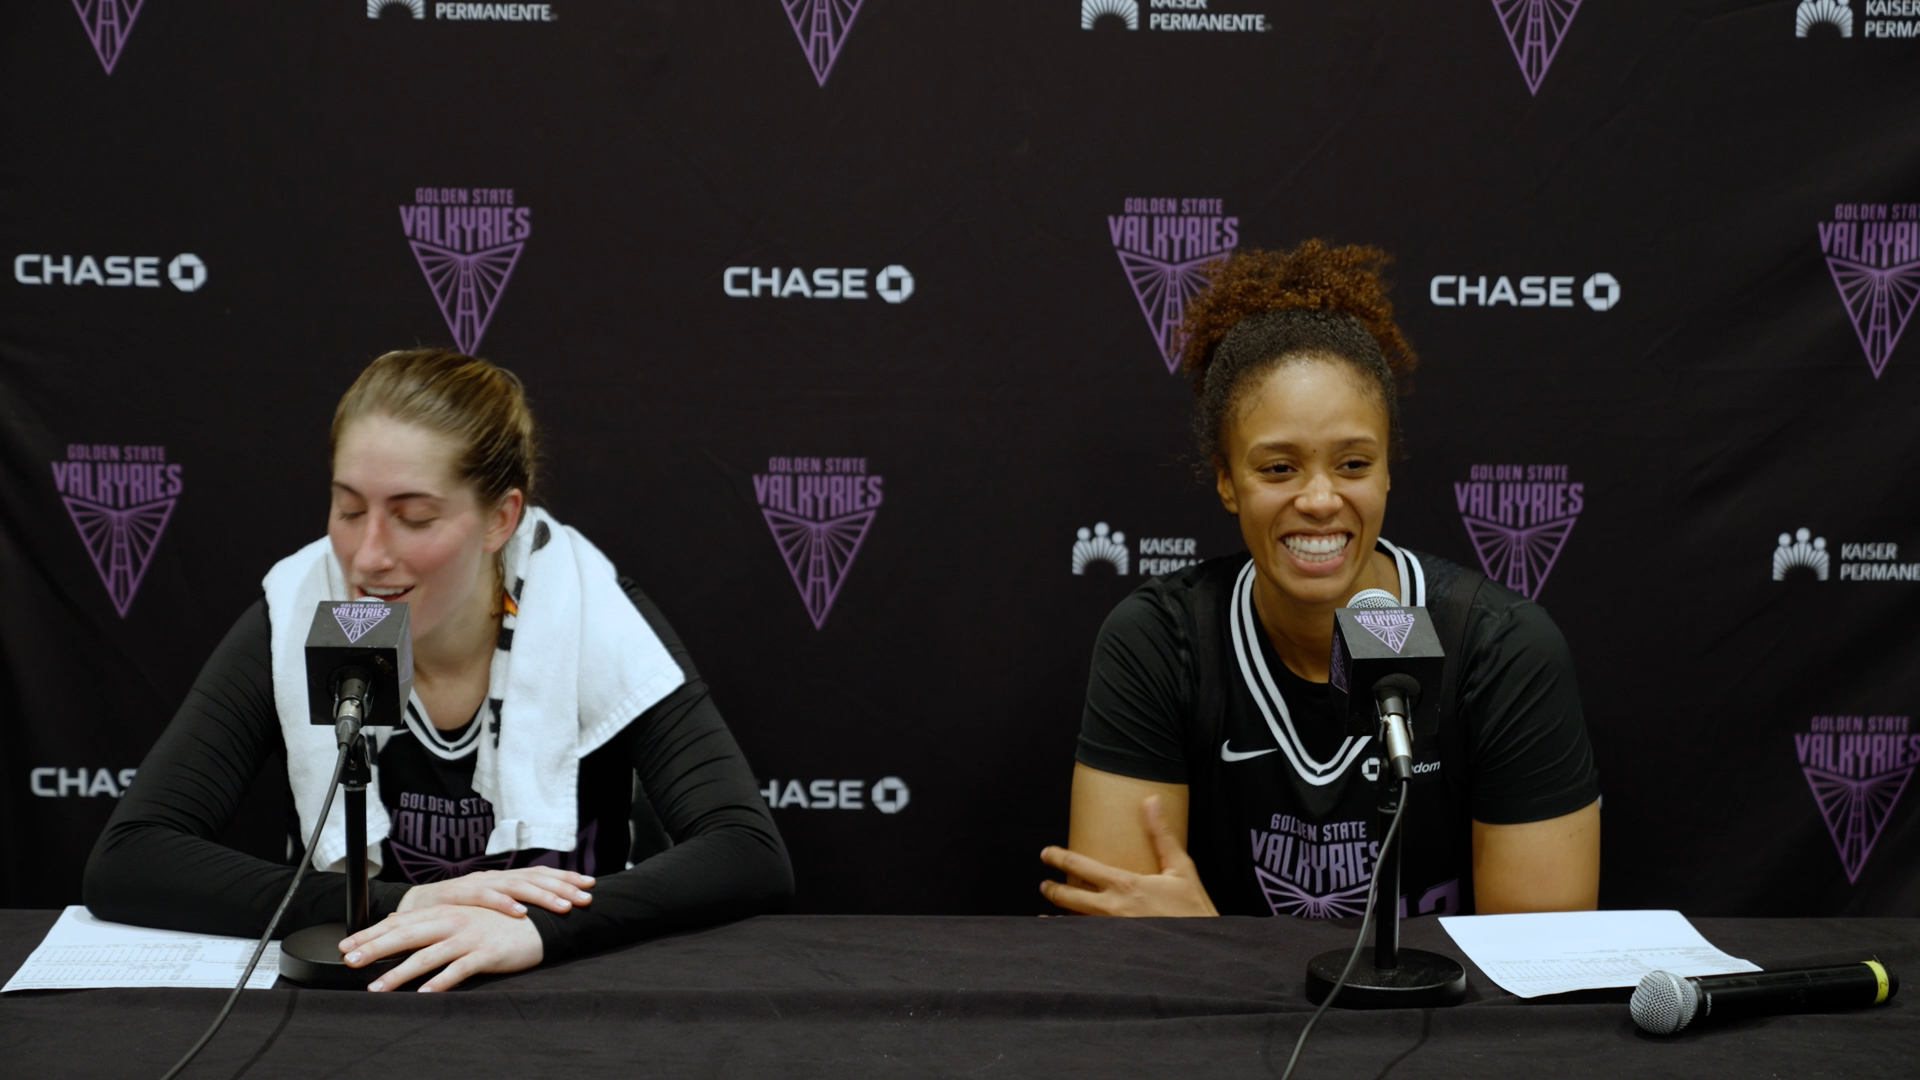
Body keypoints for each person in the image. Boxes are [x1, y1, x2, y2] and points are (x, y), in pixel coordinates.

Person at [86, 348, 792, 990]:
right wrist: (403, 904)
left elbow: (745, 849)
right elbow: (131, 859)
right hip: (364, 998)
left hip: (562, 994)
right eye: (348, 508)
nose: (366, 557)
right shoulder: (303, 603)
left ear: (500, 519)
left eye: (414, 517)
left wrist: (539, 926)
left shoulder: (587, 607)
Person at [1039, 241, 1600, 919]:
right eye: (1278, 468)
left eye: (1353, 464)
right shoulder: (1159, 642)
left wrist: (1207, 942)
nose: (1320, 499)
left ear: (1388, 469)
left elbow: (1536, 959)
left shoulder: (1501, 650)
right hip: (1227, 1030)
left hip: (1436, 1024)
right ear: (1226, 479)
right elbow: (1118, 942)